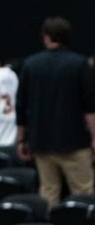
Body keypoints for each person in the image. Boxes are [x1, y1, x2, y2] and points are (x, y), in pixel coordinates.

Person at [16, 17, 95, 205]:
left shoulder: (30, 64)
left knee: (48, 192)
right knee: (83, 192)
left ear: (46, 36)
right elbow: (90, 107)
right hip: (75, 141)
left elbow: (21, 105)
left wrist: (21, 139)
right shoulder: (80, 64)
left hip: (41, 141)